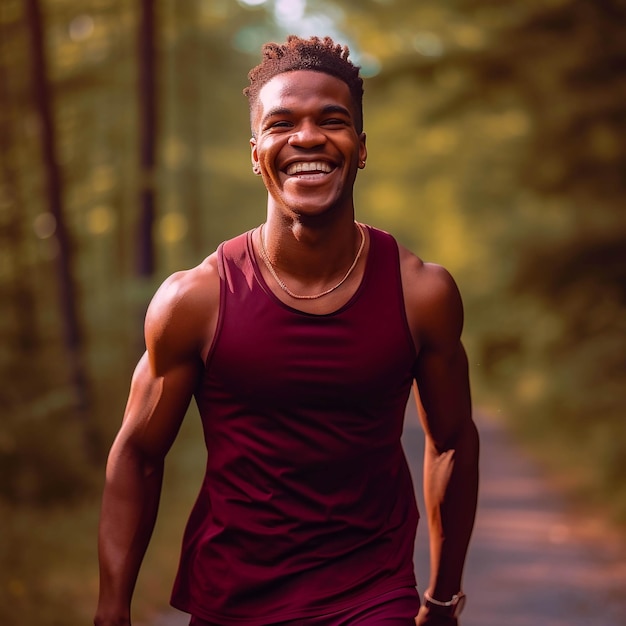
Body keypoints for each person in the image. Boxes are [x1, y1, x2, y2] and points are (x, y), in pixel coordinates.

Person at [94, 35, 479, 626]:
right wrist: (112, 606)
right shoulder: (195, 300)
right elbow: (139, 453)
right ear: (256, 152)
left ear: (361, 146)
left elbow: (452, 440)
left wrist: (443, 596)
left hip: (372, 598)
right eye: (282, 123)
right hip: (230, 602)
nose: (307, 138)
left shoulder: (420, 293)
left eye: (333, 120)